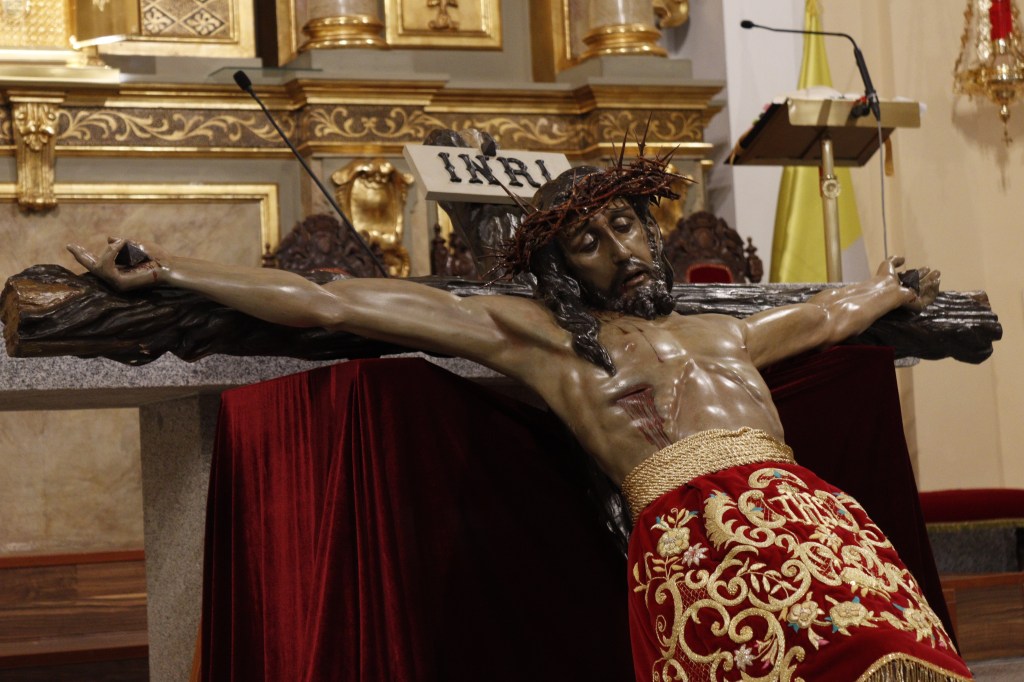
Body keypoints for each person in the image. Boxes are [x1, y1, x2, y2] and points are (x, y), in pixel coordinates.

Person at [68, 159, 971, 681]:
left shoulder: (728, 331)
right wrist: (175, 268)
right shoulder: (542, 339)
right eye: (590, 241)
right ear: (562, 272)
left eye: (625, 224)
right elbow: (326, 303)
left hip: (817, 519)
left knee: (900, 660)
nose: (620, 248)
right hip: (703, 539)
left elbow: (834, 314)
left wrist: (894, 285)